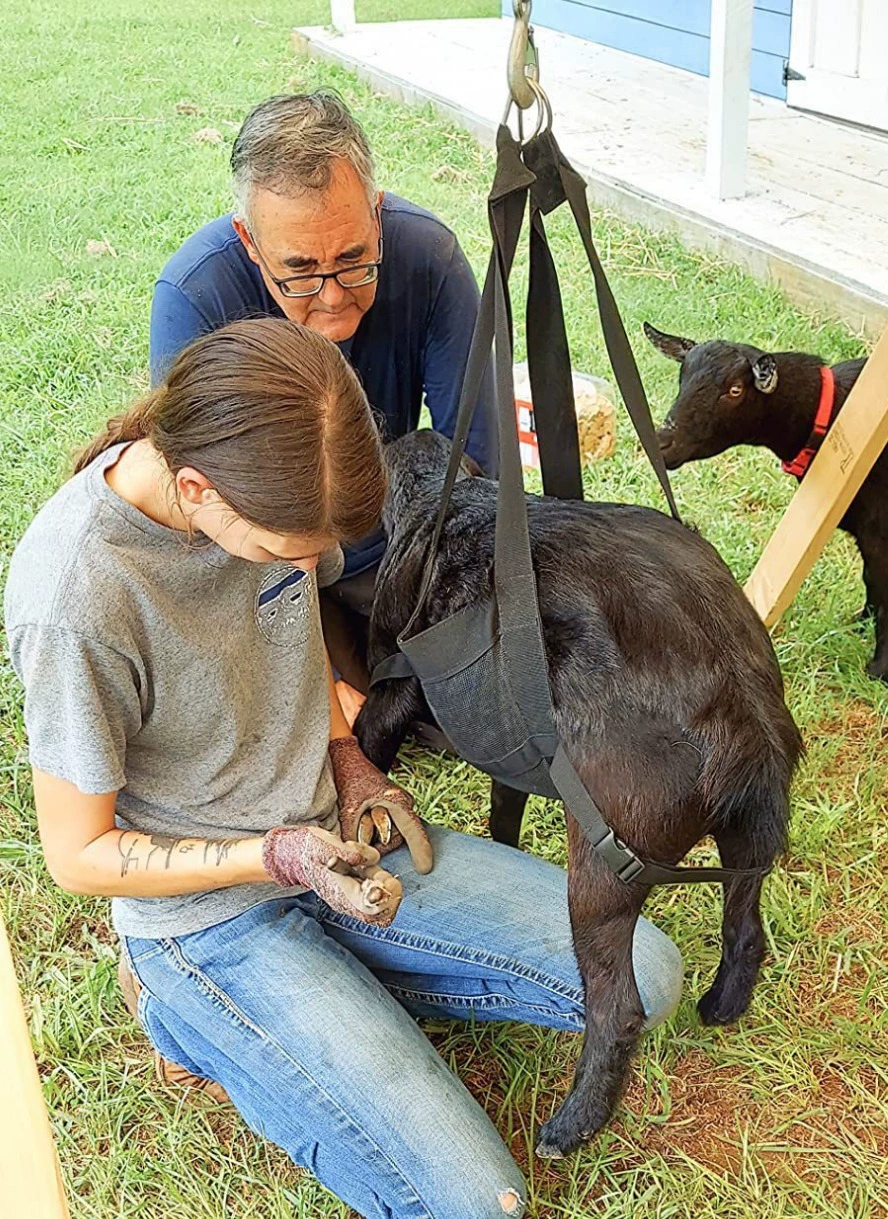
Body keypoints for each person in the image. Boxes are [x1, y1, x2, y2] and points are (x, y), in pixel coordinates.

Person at [5, 318, 682, 1219]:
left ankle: (341, 978)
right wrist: (277, 857)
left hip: (340, 841)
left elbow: (291, 646)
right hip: (211, 922)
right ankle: (185, 1008)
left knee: (648, 971)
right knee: (481, 1205)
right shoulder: (75, 598)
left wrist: (349, 762)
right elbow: (77, 854)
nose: (304, 563)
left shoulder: (285, 489)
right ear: (197, 488)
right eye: (285, 551)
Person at [149, 90, 497, 710]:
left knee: (477, 705)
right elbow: (194, 508)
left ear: (377, 213)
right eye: (300, 272)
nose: (333, 300)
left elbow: (478, 458)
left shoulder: (430, 260)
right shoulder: (195, 296)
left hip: (393, 552)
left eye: (355, 260)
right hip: (260, 565)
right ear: (250, 244)